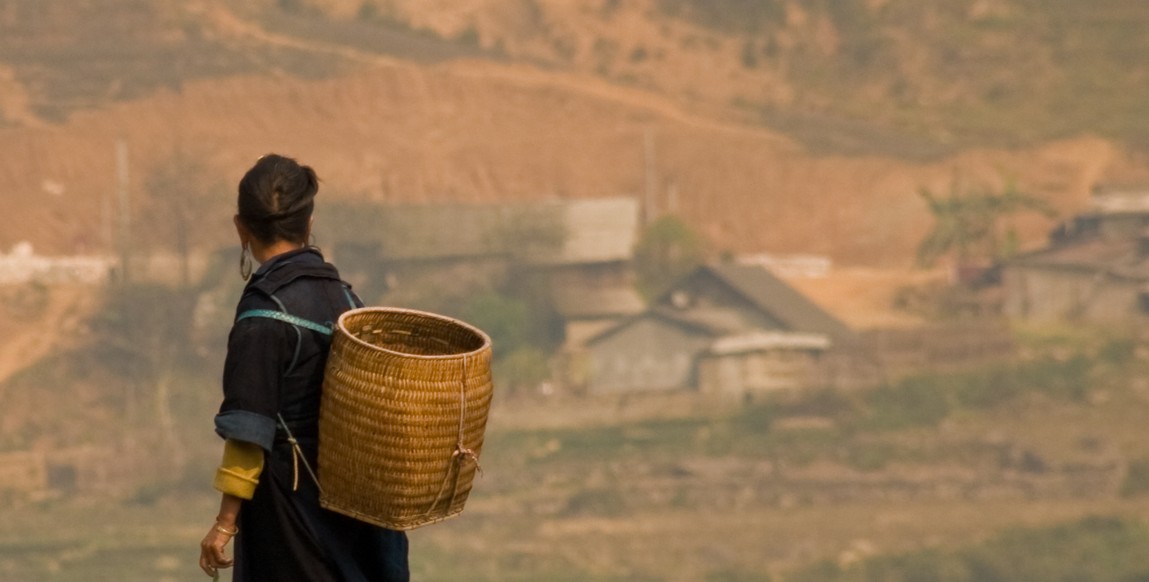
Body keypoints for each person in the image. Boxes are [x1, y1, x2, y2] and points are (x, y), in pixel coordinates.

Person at [199, 154, 409, 581]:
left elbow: (248, 434)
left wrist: (224, 524)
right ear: (309, 223)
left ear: (241, 227)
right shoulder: (349, 303)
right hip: (357, 512)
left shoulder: (262, 316)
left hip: (291, 517)